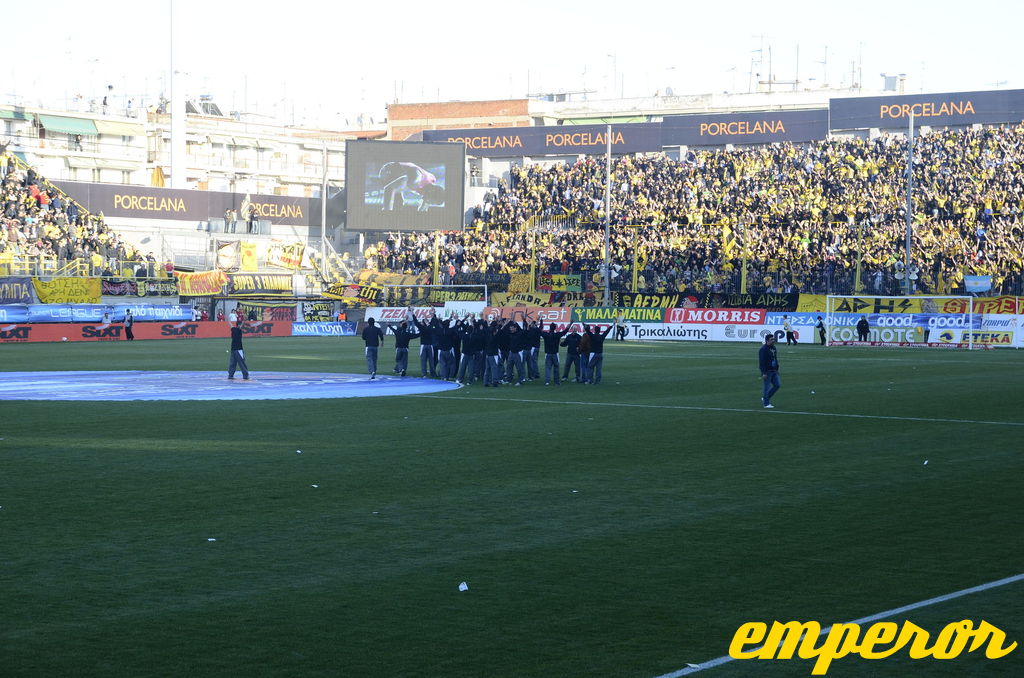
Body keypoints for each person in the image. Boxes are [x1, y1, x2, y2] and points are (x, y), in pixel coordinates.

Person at [759, 333, 780, 408]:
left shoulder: (773, 348)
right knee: (766, 387)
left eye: (773, 339)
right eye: (772, 339)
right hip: (767, 371)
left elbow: (775, 358)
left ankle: (765, 398)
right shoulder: (763, 349)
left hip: (774, 370)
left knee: (777, 385)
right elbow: (762, 362)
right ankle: (766, 403)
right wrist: (763, 373)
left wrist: (777, 369)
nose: (773, 340)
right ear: (767, 340)